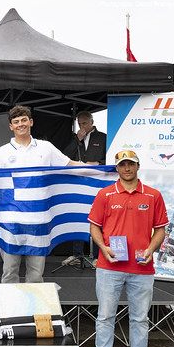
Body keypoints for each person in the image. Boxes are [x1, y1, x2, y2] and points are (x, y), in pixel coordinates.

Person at [87, 150, 168, 347]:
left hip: (142, 267)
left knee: (140, 318)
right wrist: (103, 248)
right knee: (105, 315)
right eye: (122, 165)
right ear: (116, 168)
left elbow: (160, 229)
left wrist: (151, 249)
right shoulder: (105, 194)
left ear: (138, 166)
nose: (127, 168)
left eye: (131, 164)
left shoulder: (153, 195)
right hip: (109, 266)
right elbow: (94, 226)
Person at [0, 105, 84, 283]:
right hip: (11, 222)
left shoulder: (46, 148)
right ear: (11, 126)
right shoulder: (2, 152)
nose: (20, 124)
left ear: (31, 122)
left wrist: (101, 170)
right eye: (16, 122)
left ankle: (33, 303)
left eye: (24, 120)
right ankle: (8, 303)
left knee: (36, 275)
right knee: (9, 272)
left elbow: (70, 165)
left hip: (39, 221)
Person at [63, 111, 107, 264]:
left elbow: (111, 156)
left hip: (97, 182)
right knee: (78, 216)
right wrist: (77, 140)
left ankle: (97, 256)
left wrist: (99, 163)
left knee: (97, 219)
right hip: (79, 182)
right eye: (80, 124)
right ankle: (77, 255)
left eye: (85, 123)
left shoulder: (103, 137)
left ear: (92, 122)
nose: (82, 126)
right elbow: (65, 156)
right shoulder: (76, 138)